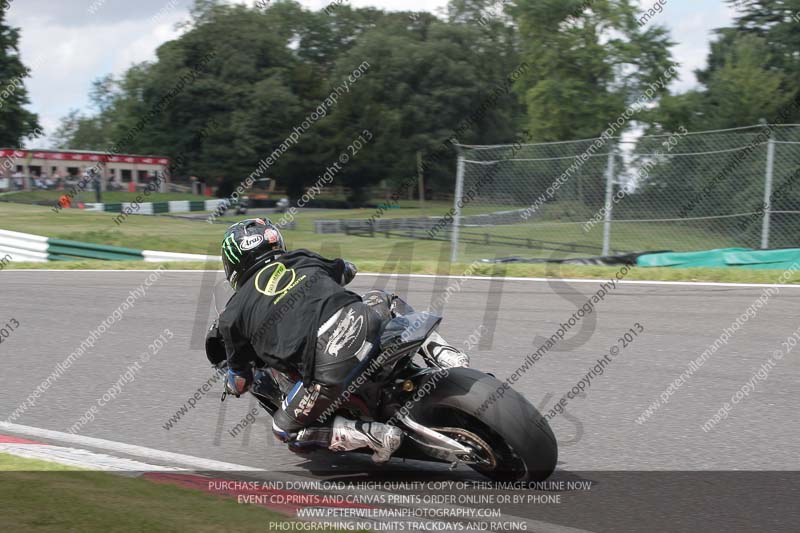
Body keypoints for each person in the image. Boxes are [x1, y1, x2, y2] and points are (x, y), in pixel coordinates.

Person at [212, 218, 469, 463]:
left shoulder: (232, 315)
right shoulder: (300, 258)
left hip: (329, 367)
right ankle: (443, 352)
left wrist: (232, 385)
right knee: (383, 298)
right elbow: (348, 270)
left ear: (233, 263)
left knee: (283, 429)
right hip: (365, 323)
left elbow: (241, 380)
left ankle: (373, 435)